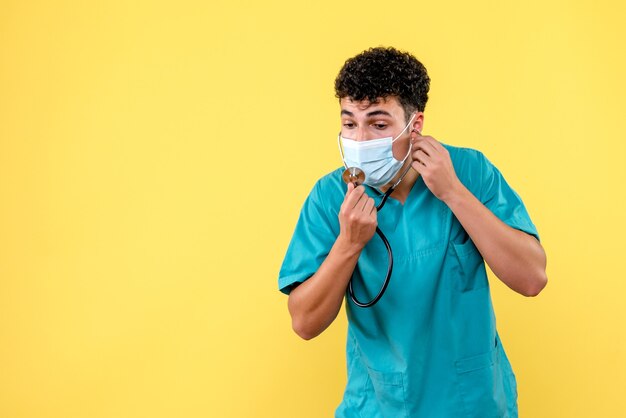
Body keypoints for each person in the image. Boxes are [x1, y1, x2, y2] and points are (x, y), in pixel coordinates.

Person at [277, 46, 547, 418]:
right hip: (378, 406)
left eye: (379, 124)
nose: (360, 141)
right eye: (349, 123)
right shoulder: (330, 197)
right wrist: (348, 245)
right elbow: (304, 322)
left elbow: (532, 278)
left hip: (471, 402)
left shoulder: (468, 171)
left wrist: (452, 191)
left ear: (414, 125)